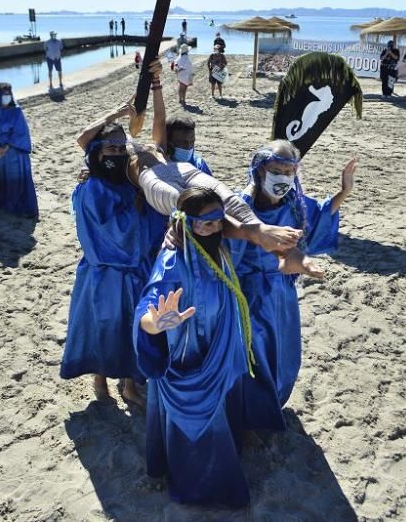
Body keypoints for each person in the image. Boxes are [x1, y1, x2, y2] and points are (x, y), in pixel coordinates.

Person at [75, 59, 316, 272]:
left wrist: (156, 82)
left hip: (180, 171)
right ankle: (256, 234)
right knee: (194, 208)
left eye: (121, 136)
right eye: (113, 142)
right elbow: (84, 138)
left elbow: (160, 119)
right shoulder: (123, 159)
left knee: (227, 198)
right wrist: (114, 116)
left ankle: (267, 237)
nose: (119, 142)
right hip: (151, 181)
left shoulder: (152, 146)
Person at [134, 187, 252, 508]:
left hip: (219, 351)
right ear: (186, 224)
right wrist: (154, 324)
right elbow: (148, 305)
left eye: (217, 221)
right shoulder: (172, 262)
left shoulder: (221, 250)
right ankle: (196, 487)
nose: (212, 228)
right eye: (204, 223)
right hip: (187, 359)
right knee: (195, 428)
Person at [234, 141, 355, 430]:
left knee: (283, 353)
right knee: (253, 357)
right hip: (248, 295)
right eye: (277, 170)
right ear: (260, 169)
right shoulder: (241, 205)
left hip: (281, 294)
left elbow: (320, 213)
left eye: (290, 171)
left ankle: (271, 404)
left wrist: (345, 191)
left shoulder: (294, 205)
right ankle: (248, 419)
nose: (283, 178)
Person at [60, 122, 147, 406]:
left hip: (131, 270)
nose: (118, 153)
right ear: (97, 153)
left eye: (122, 148)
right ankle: (99, 379)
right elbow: (112, 232)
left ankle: (129, 385)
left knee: (131, 329)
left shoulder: (125, 182)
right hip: (104, 271)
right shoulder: (92, 188)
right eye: (111, 148)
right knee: (103, 326)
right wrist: (135, 212)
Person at [0, 83, 38, 218]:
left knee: (14, 178)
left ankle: (15, 205)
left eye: (8, 95)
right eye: (4, 95)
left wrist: (7, 146)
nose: (6, 98)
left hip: (13, 150)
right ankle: (0, 203)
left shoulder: (16, 111)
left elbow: (21, 132)